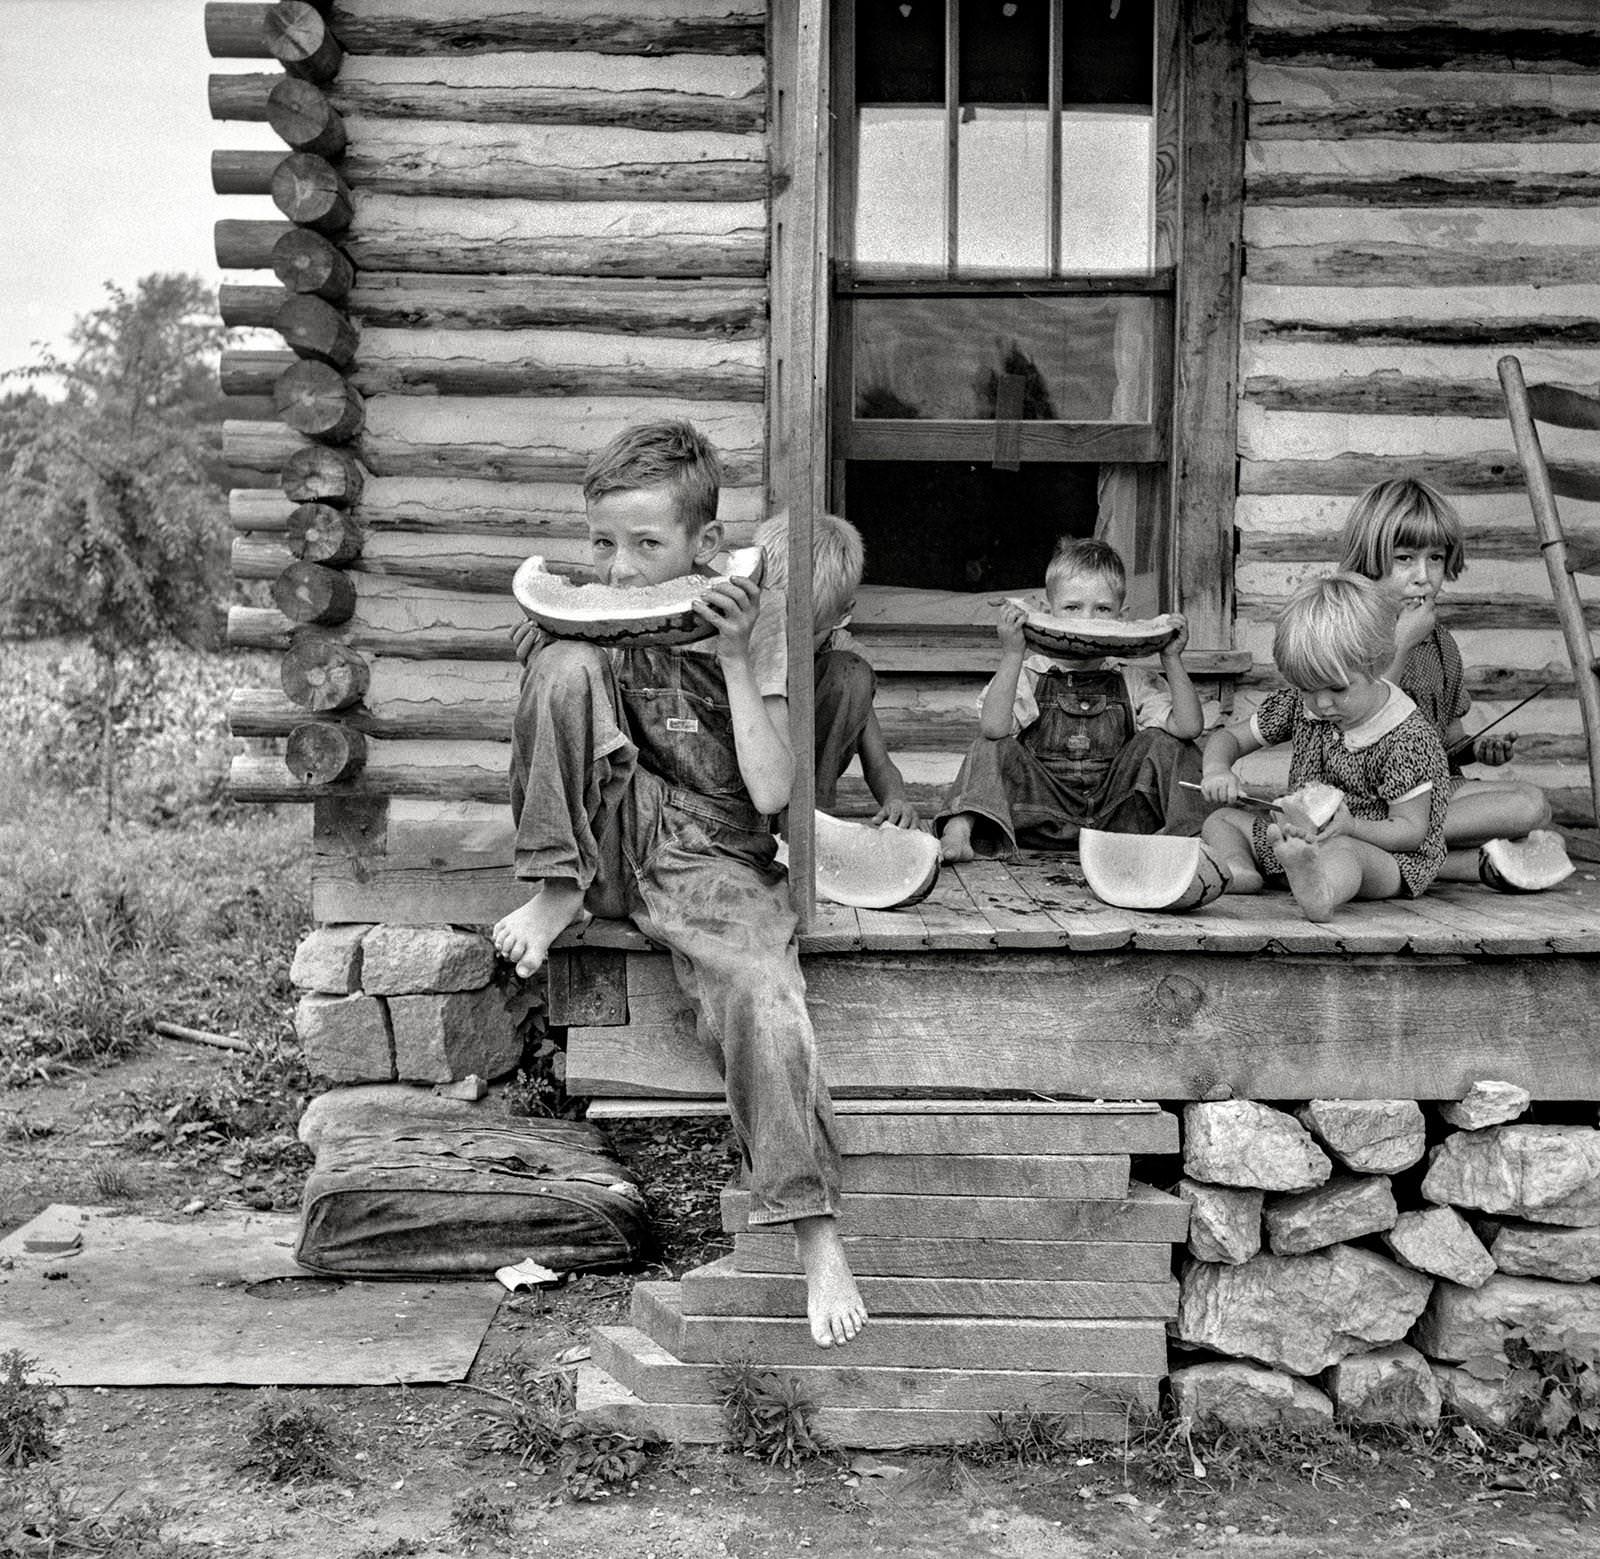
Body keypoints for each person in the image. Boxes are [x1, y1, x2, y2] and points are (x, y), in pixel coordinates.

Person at [491, 420, 865, 1348]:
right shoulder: (592, 619)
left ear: (706, 544)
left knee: (763, 991)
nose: (619, 569)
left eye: (645, 545)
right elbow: (559, 732)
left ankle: (814, 1230)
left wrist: (733, 657)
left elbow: (773, 792)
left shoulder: (756, 625)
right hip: (611, 836)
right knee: (563, 660)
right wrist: (546, 653)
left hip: (712, 855)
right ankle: (557, 885)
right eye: (601, 544)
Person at [1337, 477, 1560, 886]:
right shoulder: (1349, 631)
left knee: (1535, 806)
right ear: (1368, 558)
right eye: (1405, 558)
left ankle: (1410, 857)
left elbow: (1448, 742)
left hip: (1433, 789)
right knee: (1525, 812)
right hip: (1372, 795)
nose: (1423, 576)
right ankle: (1374, 839)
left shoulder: (1440, 643)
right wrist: (1402, 642)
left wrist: (1477, 749)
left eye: (1436, 558)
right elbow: (1359, 724)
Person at [934, 537, 1207, 862]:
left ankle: (1191, 839)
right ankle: (959, 832)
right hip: (1040, 813)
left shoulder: (1132, 679)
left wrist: (1172, 658)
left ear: (1123, 617)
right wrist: (1012, 654)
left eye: (1102, 609)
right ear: (1047, 612)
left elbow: (1188, 727)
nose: (1086, 620)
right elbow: (993, 727)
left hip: (1116, 818)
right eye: (1072, 608)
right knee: (989, 745)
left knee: (1171, 743)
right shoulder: (1030, 673)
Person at [1200, 572, 1450, 923]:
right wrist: (1217, 769)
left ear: (1378, 664)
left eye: (1337, 689)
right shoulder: (1300, 705)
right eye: (1307, 689)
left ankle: (1322, 892)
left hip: (1382, 857)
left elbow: (1410, 831)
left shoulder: (1405, 735)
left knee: (1344, 852)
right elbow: (1229, 738)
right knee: (1222, 820)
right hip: (1298, 840)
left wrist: (1352, 827)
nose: (1321, 703)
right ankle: (1241, 870)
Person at [754, 511, 918, 827]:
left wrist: (896, 799)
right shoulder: (743, 634)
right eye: (783, 630)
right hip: (740, 788)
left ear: (843, 614)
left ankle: (807, 823)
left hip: (802, 803)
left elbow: (879, 762)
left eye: (811, 633)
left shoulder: (841, 656)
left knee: (851, 673)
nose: (792, 647)